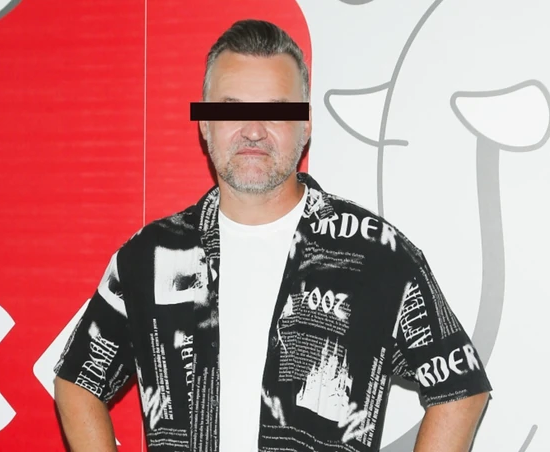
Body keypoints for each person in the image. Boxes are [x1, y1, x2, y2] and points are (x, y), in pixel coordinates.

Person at [53, 18, 492, 452]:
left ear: (306, 126)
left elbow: (461, 388)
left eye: (277, 110)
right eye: (231, 108)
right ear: (204, 124)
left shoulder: (375, 253)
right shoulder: (152, 255)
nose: (253, 129)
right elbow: (76, 381)